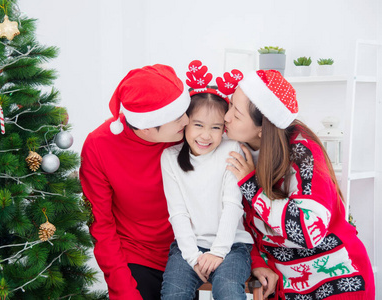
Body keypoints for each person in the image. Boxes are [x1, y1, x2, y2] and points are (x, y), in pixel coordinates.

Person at [224, 69, 375, 300]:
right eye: (231, 104)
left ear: (263, 128)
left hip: (338, 282)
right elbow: (234, 219)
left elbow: (308, 230)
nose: (226, 116)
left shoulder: (304, 154)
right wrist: (256, 262)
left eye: (236, 112)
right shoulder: (234, 149)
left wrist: (251, 186)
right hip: (285, 284)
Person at [79, 64, 190, 300]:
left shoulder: (191, 134)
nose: (188, 120)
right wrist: (124, 291)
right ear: (147, 127)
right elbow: (101, 225)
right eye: (178, 117)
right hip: (137, 255)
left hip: (189, 250)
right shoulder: (99, 146)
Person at [160, 60, 253, 300]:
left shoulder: (232, 149)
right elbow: (178, 213)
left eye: (215, 127)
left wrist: (218, 252)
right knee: (173, 294)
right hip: (188, 247)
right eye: (198, 125)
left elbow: (232, 205)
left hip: (232, 246)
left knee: (228, 290)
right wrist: (193, 257)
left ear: (224, 127)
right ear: (185, 123)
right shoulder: (170, 158)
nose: (205, 135)